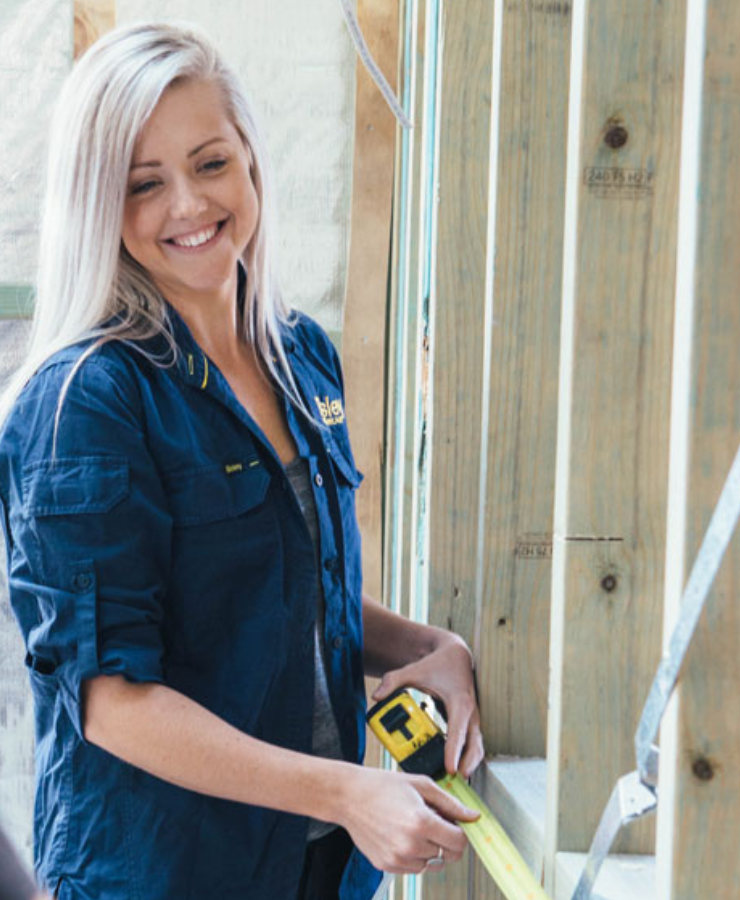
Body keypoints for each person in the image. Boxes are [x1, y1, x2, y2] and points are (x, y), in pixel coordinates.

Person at [0, 22, 484, 900]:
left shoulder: (301, 355)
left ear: (253, 162)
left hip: (315, 869)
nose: (187, 205)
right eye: (144, 184)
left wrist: (431, 645)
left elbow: (289, 573)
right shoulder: (85, 403)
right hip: (165, 875)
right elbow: (112, 702)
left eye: (211, 162)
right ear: (97, 206)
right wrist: (347, 790)